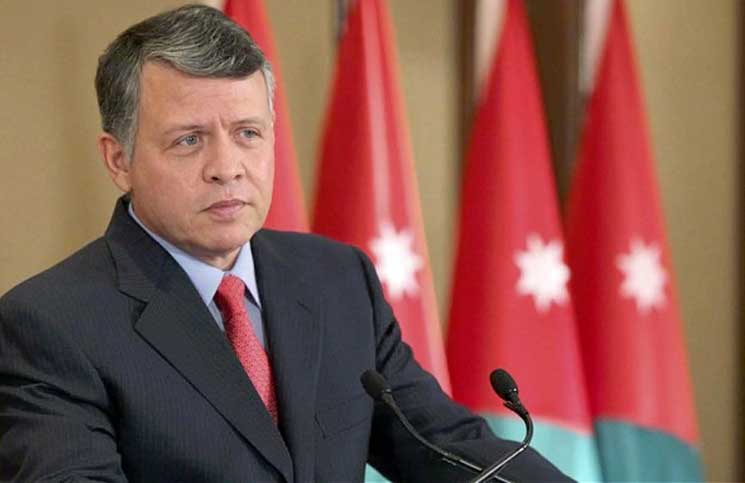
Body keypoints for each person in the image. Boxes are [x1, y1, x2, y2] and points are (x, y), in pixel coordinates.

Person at [0, 5, 570, 482]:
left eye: (247, 133)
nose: (227, 167)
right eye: (189, 140)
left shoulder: (337, 279)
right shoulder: (50, 327)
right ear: (118, 159)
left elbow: (446, 446)